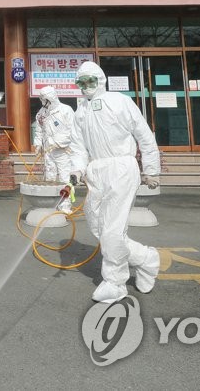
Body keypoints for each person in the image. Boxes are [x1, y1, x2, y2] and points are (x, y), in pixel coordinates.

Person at [74, 60, 161, 304]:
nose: (86, 86)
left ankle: (115, 282)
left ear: (100, 80)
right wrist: (76, 170)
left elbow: (143, 134)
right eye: (81, 82)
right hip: (96, 170)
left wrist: (151, 169)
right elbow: (78, 146)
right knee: (98, 227)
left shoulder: (120, 101)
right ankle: (145, 258)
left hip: (122, 168)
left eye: (90, 80)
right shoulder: (81, 111)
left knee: (112, 230)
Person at [32, 86, 87, 213]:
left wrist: (58, 142)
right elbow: (39, 130)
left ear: (51, 98)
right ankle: (51, 205)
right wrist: (38, 144)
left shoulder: (66, 110)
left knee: (64, 179)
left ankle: (65, 206)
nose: (43, 102)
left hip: (63, 151)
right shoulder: (41, 113)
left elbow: (72, 131)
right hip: (48, 151)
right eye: (41, 99)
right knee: (49, 178)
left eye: (44, 99)